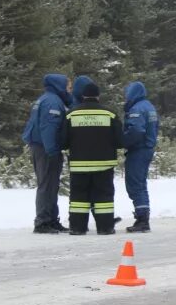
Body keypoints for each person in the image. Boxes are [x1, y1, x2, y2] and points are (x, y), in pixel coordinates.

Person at [61, 83, 123, 235]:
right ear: (98, 95)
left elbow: (62, 141)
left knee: (78, 198)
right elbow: (120, 141)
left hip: (79, 164)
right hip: (104, 164)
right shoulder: (110, 114)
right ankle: (105, 227)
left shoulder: (71, 115)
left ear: (82, 96)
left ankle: (77, 227)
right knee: (104, 197)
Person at [22, 74, 72, 234]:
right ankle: (43, 221)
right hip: (45, 148)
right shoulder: (52, 101)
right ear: (59, 85)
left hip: (43, 146)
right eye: (68, 86)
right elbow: (48, 127)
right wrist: (52, 150)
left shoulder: (48, 98)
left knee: (51, 184)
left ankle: (51, 219)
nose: (69, 89)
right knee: (47, 184)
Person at [122, 81, 159, 233]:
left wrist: (123, 141)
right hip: (147, 148)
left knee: (135, 184)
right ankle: (143, 217)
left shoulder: (137, 108)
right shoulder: (149, 107)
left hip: (138, 149)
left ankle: (142, 219)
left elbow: (136, 130)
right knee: (141, 184)